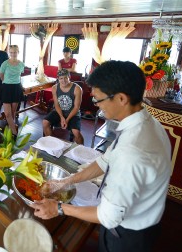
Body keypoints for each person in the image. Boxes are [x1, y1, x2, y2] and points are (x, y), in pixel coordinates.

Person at [32, 60, 172, 252]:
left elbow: (109, 216)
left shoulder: (132, 150)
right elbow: (106, 161)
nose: (97, 105)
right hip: (143, 218)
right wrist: (63, 182)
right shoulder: (145, 123)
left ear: (121, 98)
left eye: (98, 99)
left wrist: (58, 208)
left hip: (127, 234)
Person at [42, 69, 84, 144]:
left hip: (73, 114)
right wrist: (61, 117)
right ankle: (52, 144)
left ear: (69, 77)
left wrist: (66, 120)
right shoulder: (55, 88)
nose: (63, 80)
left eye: (65, 78)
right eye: (61, 78)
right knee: (45, 123)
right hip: (59, 111)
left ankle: (81, 150)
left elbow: (76, 107)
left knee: (76, 132)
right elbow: (56, 104)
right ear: (58, 79)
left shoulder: (77, 89)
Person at [0, 45, 24, 135]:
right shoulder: (4, 64)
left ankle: (10, 127)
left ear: (18, 52)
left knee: (13, 112)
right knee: (8, 114)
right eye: (11, 52)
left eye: (15, 52)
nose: (13, 54)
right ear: (9, 53)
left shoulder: (21, 64)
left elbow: (19, 76)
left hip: (16, 88)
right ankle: (14, 132)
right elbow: (1, 77)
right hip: (6, 87)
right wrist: (7, 82)